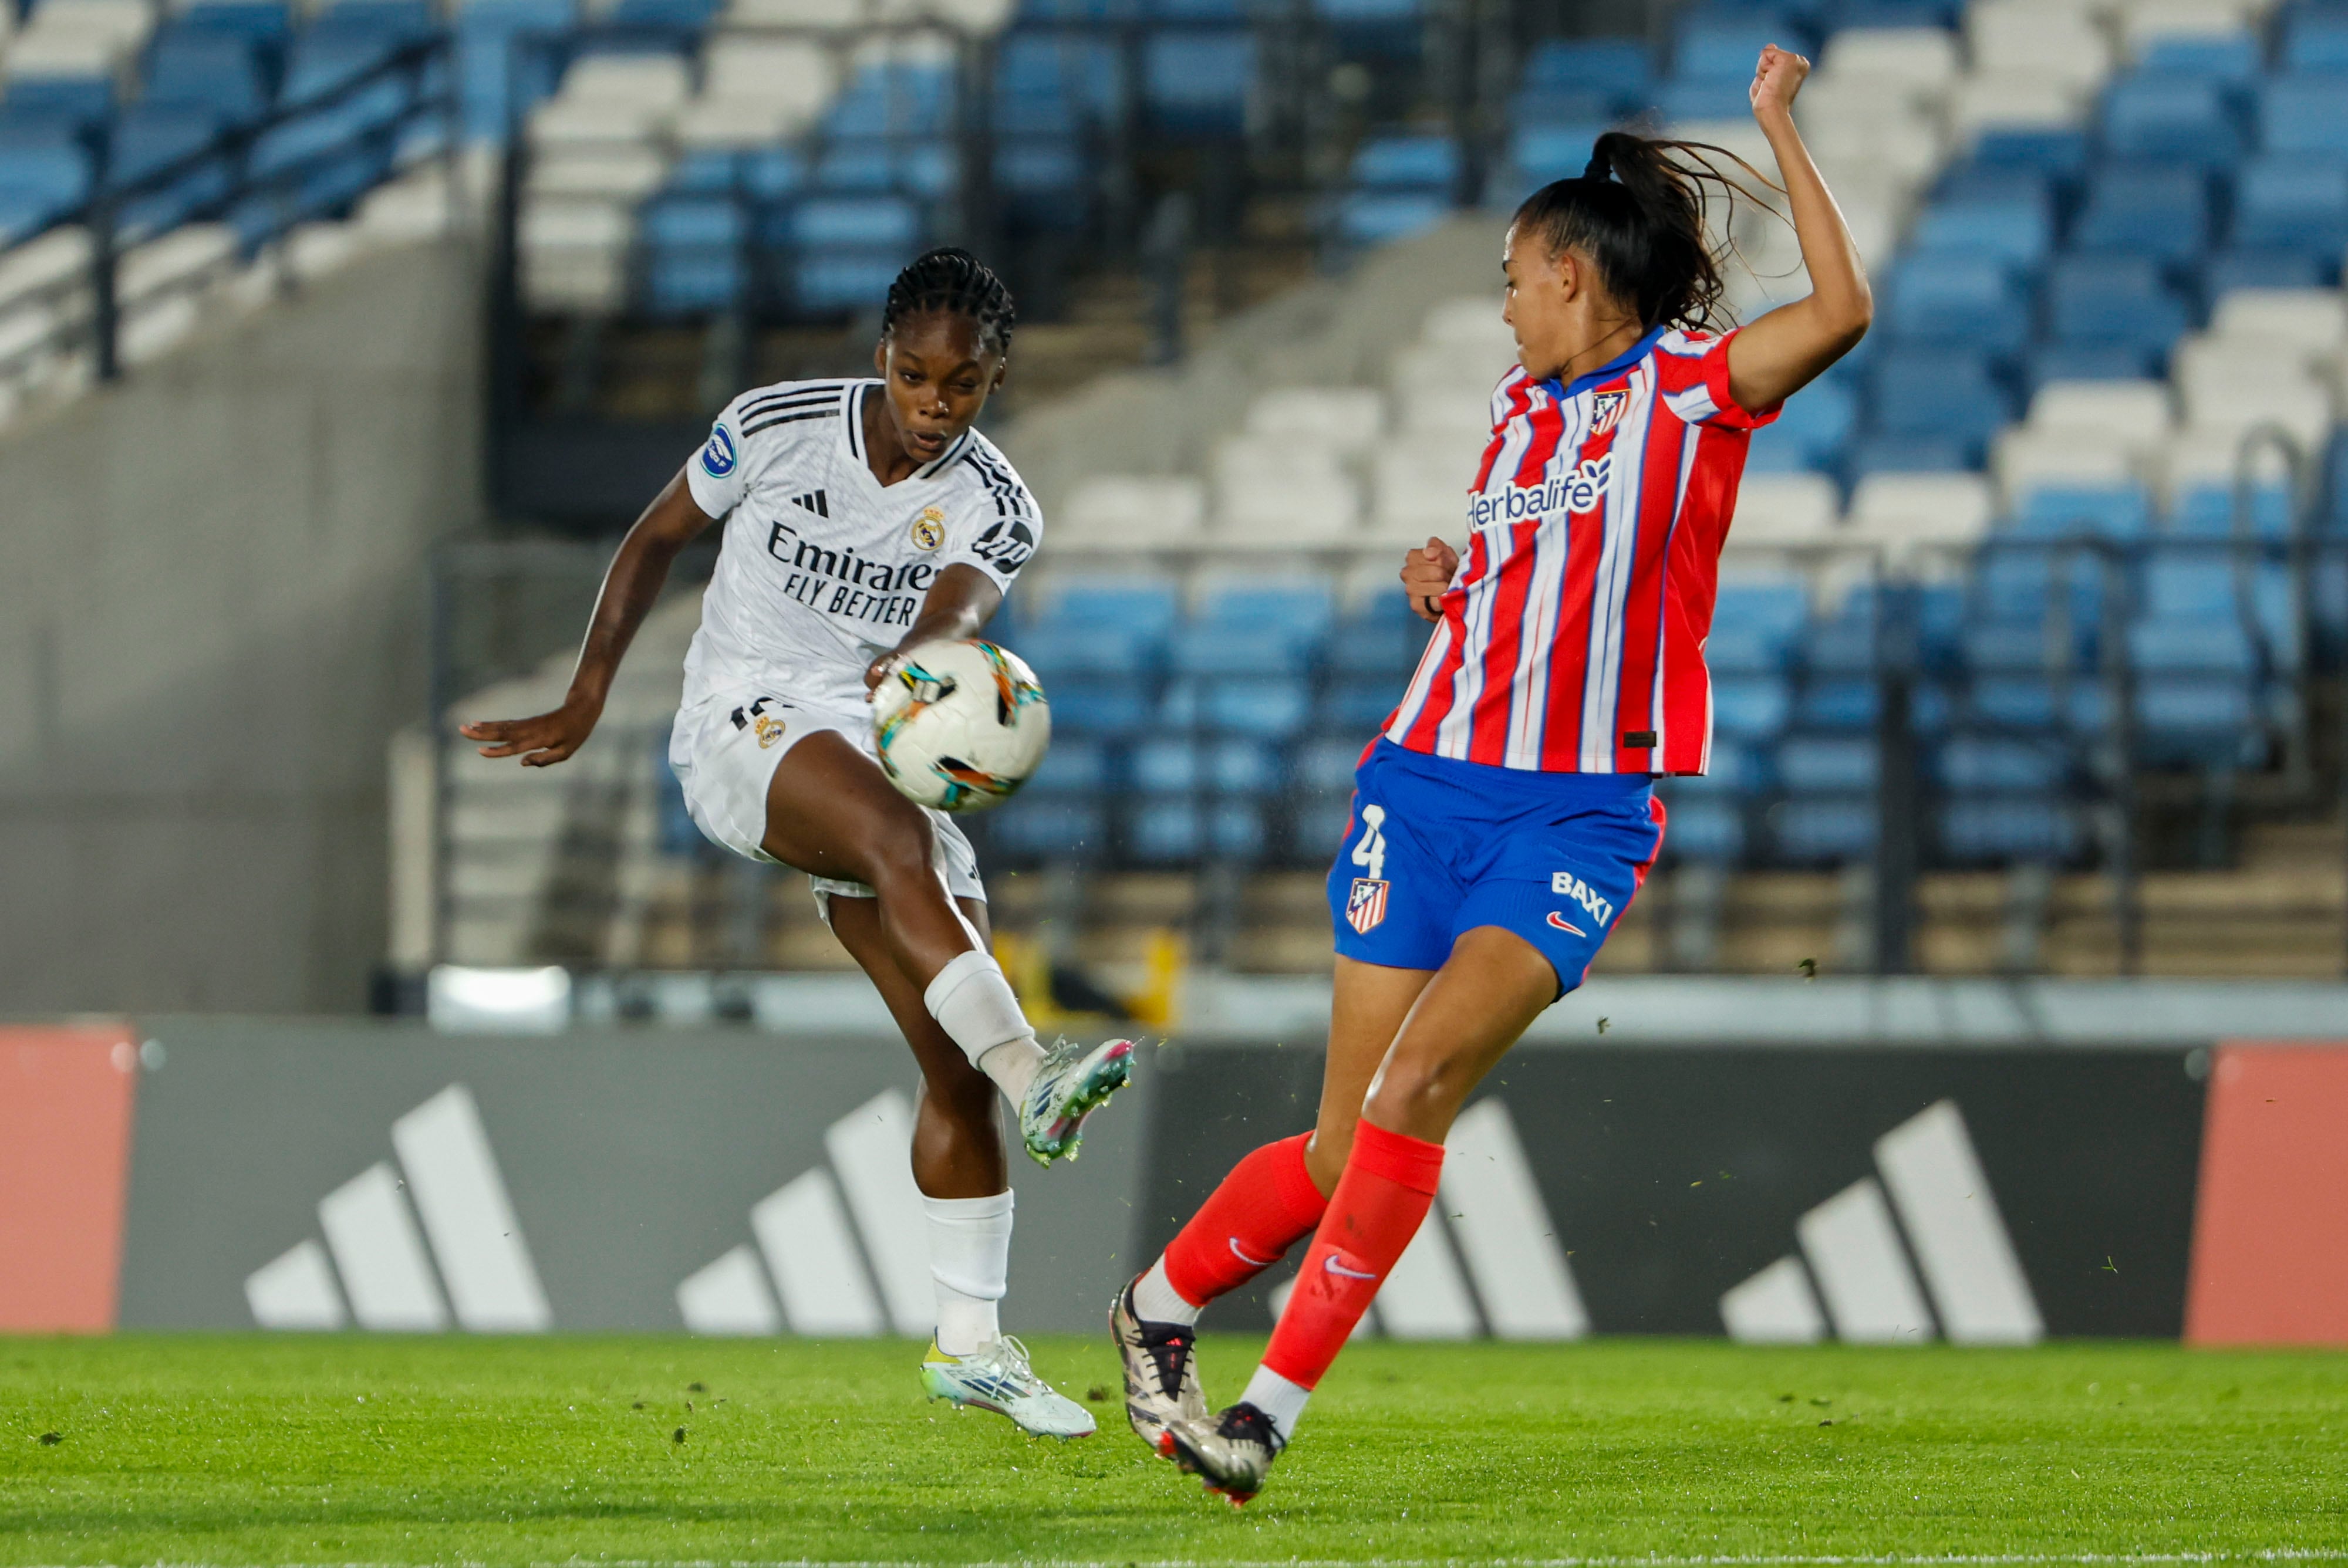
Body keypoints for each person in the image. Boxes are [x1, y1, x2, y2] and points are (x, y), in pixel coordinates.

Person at [1109, 45, 1872, 1499]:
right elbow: (1532, 575)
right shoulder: (1517, 420)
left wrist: (1774, 126)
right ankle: (1154, 1308)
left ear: (1574, 276)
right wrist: (1447, 571)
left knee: (1421, 1080)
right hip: (1421, 784)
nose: (1504, 303)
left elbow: (1841, 311)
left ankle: (1264, 1412)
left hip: (1578, 810)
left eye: (1515, 276)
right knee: (1346, 1145)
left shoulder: (1692, 392)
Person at [461, 247, 1133, 1440]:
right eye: (917, 375)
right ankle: (1037, 1070)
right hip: (746, 717)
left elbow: (963, 605)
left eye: (963, 385)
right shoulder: (772, 427)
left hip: (885, 720)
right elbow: (653, 540)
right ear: (881, 357)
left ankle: (968, 1343)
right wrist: (584, 696)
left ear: (993, 380)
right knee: (894, 847)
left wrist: (916, 658)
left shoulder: (996, 497)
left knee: (946, 1060)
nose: (935, 404)